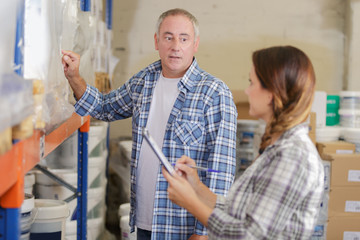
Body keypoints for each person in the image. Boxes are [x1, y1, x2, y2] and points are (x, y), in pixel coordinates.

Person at [62, 8, 237, 240]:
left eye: (184, 38)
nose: (176, 46)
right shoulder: (145, 81)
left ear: (195, 44)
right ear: (156, 41)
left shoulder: (214, 93)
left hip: (183, 226)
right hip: (145, 220)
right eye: (168, 37)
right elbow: (105, 107)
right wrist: (74, 76)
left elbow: (220, 171)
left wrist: (203, 231)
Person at [163, 46, 325, 239]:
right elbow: (240, 211)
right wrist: (196, 188)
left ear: (272, 92)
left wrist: (191, 203)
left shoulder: (293, 155)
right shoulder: (279, 148)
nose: (247, 91)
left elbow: (251, 234)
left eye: (252, 83)